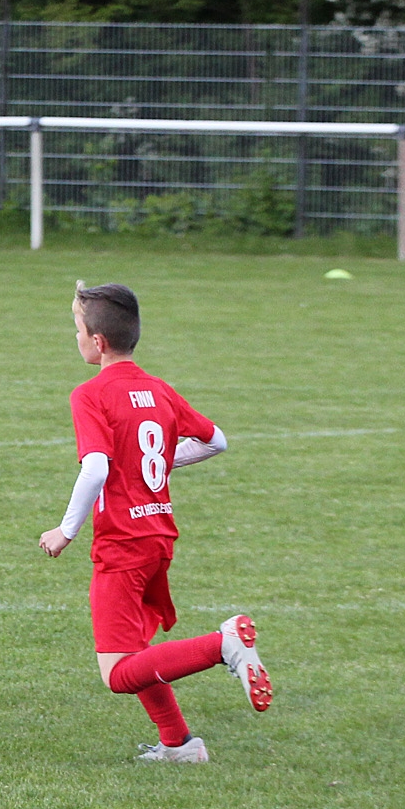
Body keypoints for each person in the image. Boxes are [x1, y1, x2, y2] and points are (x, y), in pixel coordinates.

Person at [39, 282, 270, 762]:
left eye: (77, 329)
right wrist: (161, 461)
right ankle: (178, 744)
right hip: (159, 535)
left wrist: (65, 531)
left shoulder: (90, 394)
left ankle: (223, 644)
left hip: (122, 543)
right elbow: (216, 441)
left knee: (118, 673)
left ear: (97, 341)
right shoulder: (157, 389)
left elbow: (95, 467)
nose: (75, 338)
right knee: (136, 648)